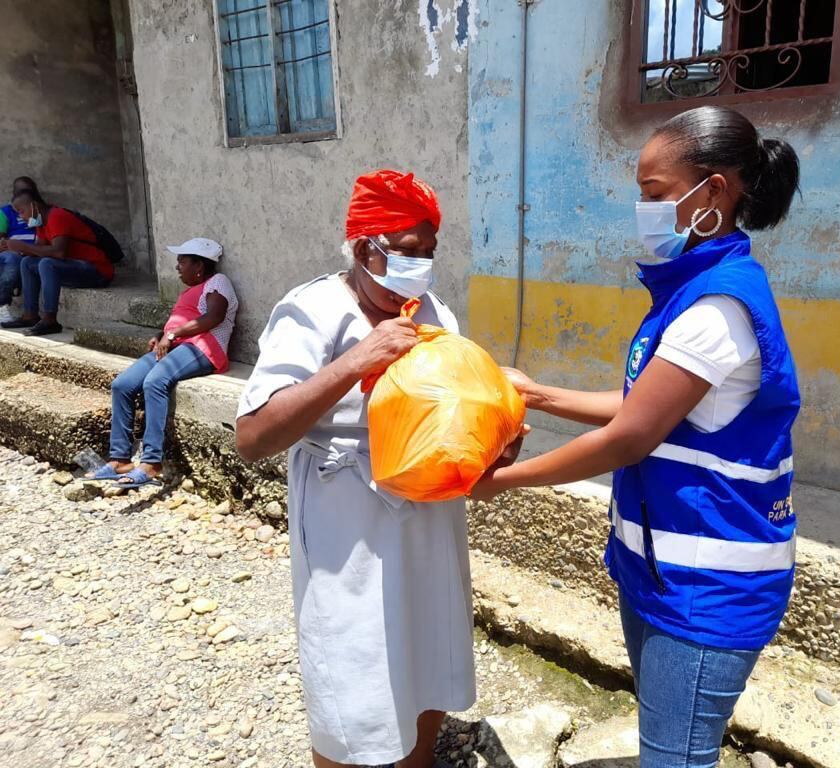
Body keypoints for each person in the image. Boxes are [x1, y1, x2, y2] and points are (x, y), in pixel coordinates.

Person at [471, 106, 802, 768]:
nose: (643, 210)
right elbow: (644, 406)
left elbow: (631, 436)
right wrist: (532, 393)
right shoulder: (693, 291)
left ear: (712, 193)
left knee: (675, 759)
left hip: (705, 590)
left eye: (655, 195)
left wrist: (500, 481)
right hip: (664, 569)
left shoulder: (716, 308)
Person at [236, 170, 512, 768]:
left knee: (427, 649)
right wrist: (358, 359)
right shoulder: (313, 309)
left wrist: (496, 430)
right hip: (347, 516)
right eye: (406, 255)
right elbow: (254, 435)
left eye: (429, 255)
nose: (420, 270)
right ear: (365, 249)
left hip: (429, 513)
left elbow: (451, 404)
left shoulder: (433, 309)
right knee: (351, 660)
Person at [86, 238, 237, 488]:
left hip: (204, 348)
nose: (178, 267)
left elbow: (214, 317)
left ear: (199, 265)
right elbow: (179, 323)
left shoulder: (218, 282)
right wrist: (161, 335)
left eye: (183, 262)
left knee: (155, 382)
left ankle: (151, 461)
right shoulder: (189, 291)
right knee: (122, 385)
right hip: (177, 347)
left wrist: (173, 335)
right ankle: (120, 459)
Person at [0, 190, 114, 336]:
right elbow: (37, 251)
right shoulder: (41, 222)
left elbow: (58, 252)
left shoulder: (57, 217)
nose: (22, 217)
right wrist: (12, 246)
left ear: (34, 206)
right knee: (28, 262)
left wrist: (23, 246)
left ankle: (50, 320)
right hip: (73, 267)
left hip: (97, 270)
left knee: (47, 264)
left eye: (22, 212)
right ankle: (30, 315)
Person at [0, 177, 42, 324]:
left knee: (26, 262)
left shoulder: (38, 210)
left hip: (33, 252)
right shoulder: (5, 212)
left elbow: (44, 234)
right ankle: (2, 304)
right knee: (12, 259)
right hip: (12, 253)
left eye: (27, 192)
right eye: (19, 192)